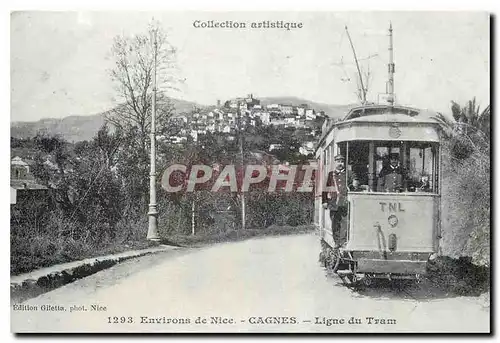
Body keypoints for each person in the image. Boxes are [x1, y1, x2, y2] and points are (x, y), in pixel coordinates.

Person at [322, 154, 350, 247]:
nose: (340, 163)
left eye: (342, 161)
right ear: (335, 163)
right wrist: (324, 201)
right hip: (334, 202)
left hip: (344, 202)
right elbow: (325, 189)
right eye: (338, 161)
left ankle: (343, 242)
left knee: (344, 223)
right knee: (335, 223)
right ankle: (337, 241)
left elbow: (354, 182)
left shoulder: (348, 174)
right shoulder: (331, 175)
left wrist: (355, 183)